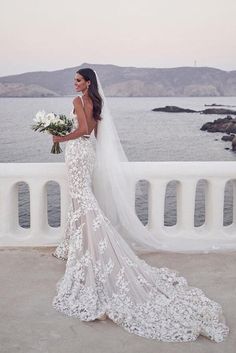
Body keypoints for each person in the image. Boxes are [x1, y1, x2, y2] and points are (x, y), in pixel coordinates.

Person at [51, 68, 229, 342]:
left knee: (83, 200)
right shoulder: (96, 102)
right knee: (83, 198)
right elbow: (92, 133)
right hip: (88, 153)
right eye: (74, 80)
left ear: (88, 83)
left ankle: (95, 247)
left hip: (78, 153)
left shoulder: (79, 101)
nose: (74, 83)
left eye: (78, 80)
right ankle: (78, 244)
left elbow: (83, 130)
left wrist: (60, 138)